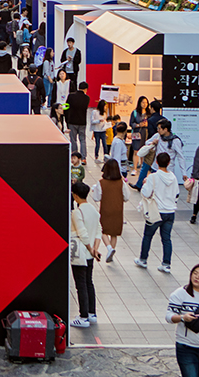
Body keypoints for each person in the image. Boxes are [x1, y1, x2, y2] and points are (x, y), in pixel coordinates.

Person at [136, 151, 179, 273]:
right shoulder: (173, 178)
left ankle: (143, 259)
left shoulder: (153, 177)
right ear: (169, 163)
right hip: (170, 212)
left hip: (156, 211)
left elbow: (145, 193)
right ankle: (166, 264)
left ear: (156, 162)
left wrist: (144, 184)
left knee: (148, 236)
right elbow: (176, 194)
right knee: (166, 239)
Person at [69, 181, 101, 328]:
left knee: (80, 284)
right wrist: (95, 249)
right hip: (90, 254)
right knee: (89, 282)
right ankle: (91, 313)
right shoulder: (94, 210)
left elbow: (82, 233)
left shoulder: (77, 212)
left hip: (81, 252)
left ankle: (83, 317)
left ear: (75, 196)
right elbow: (99, 230)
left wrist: (89, 248)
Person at [92, 158, 128, 264]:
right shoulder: (121, 183)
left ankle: (109, 249)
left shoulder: (101, 182)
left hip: (106, 209)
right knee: (114, 233)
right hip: (118, 210)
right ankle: (111, 251)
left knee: (102, 230)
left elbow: (96, 198)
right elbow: (126, 197)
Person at [66, 82, 91, 160]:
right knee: (82, 140)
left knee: (73, 139)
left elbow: (66, 108)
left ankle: (74, 156)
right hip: (82, 121)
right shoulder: (87, 98)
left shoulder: (71, 96)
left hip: (72, 121)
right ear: (86, 89)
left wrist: (67, 121)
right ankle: (83, 157)